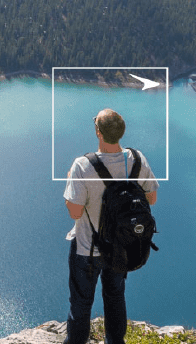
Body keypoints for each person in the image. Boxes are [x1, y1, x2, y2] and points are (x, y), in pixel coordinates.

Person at [62, 108, 159, 344]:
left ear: (98, 132)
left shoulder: (83, 166)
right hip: (121, 247)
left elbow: (75, 211)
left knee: (81, 303)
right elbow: (152, 199)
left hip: (88, 250)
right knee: (115, 297)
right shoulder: (137, 159)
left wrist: (69, 185)